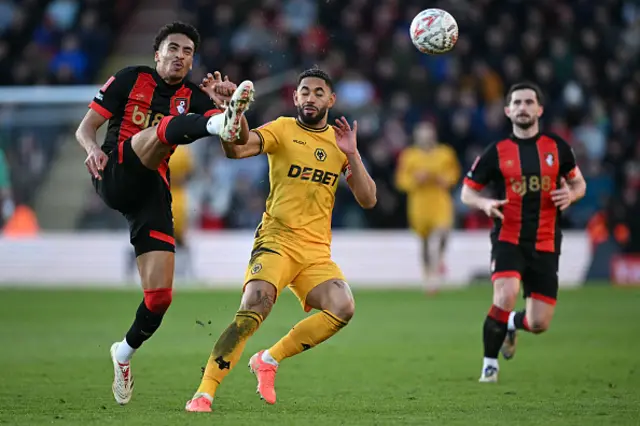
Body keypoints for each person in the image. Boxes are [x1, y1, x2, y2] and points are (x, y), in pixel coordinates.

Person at [74, 21, 255, 405]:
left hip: (152, 192)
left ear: (192, 60)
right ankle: (212, 123)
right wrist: (91, 148)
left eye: (187, 51)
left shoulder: (194, 94)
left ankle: (122, 352)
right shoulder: (129, 78)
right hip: (116, 170)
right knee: (163, 130)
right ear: (157, 54)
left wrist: (227, 109)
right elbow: (85, 128)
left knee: (160, 298)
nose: (180, 56)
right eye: (173, 48)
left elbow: (238, 145)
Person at [185, 68, 378, 413]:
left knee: (343, 307)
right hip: (276, 239)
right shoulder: (282, 128)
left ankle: (269, 359)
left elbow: (368, 199)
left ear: (331, 100)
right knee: (254, 307)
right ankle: (204, 392)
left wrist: (352, 153)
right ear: (295, 97)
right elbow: (237, 150)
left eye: (319, 92)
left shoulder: (339, 141)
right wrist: (233, 115)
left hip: (316, 251)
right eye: (304, 91)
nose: (310, 97)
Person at [460, 82, 587, 383]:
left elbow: (579, 184)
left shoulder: (558, 148)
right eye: (517, 103)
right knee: (505, 294)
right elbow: (466, 193)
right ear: (507, 111)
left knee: (539, 323)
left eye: (529, 102)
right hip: (508, 237)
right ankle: (489, 365)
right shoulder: (496, 152)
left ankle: (514, 325)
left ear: (540, 109)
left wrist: (572, 195)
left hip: (545, 240)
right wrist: (485, 202)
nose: (523, 107)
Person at [395, 121, 460, 293]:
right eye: (422, 135)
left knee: (441, 234)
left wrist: (442, 179)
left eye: (428, 135)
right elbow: (401, 181)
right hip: (419, 203)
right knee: (424, 243)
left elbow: (454, 174)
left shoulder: (445, 153)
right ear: (417, 137)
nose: (426, 139)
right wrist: (416, 179)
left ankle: (436, 269)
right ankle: (428, 277)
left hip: (440, 200)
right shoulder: (409, 155)